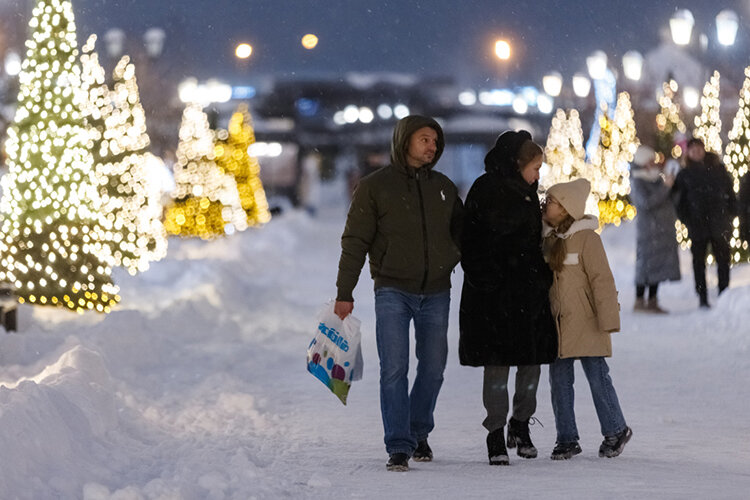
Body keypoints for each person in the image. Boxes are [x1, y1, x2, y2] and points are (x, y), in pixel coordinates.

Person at [334, 115, 463, 472]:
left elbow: (465, 237)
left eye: (435, 141)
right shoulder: (375, 187)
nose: (431, 147)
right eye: (424, 139)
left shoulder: (444, 188)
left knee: (434, 367)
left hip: (437, 291)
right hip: (392, 289)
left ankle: (418, 430)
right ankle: (399, 445)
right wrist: (345, 291)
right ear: (405, 140)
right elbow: (355, 241)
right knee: (394, 368)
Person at [459, 130, 557, 466]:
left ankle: (520, 424)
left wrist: (539, 276)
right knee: (498, 366)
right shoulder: (485, 189)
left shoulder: (529, 194)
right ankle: (495, 432)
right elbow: (468, 239)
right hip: (493, 297)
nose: (538, 175)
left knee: (530, 364)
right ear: (518, 164)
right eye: (535, 167)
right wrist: (486, 278)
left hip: (527, 295)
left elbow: (532, 244)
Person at [542, 178, 632, 460]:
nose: (547, 205)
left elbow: (601, 280)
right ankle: (566, 437)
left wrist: (608, 318)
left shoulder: (587, 239)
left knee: (597, 376)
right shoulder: (546, 238)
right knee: (559, 381)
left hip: (587, 321)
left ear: (567, 208)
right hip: (558, 323)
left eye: (553, 202)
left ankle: (616, 429)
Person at [671, 138, 736, 308]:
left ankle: (724, 293)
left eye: (698, 149)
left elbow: (729, 191)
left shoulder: (718, 168)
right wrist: (688, 220)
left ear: (703, 149)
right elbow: (678, 200)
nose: (696, 152)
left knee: (723, 260)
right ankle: (702, 296)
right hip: (697, 225)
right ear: (689, 153)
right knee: (698, 263)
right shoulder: (684, 174)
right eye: (692, 150)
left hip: (719, 222)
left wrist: (731, 213)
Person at [629, 144, 681, 313]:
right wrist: (665, 187)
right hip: (649, 231)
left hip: (662, 231)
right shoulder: (637, 180)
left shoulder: (656, 177)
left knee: (658, 266)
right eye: (650, 160)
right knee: (645, 265)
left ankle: (652, 300)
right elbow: (646, 202)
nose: (653, 164)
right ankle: (639, 300)